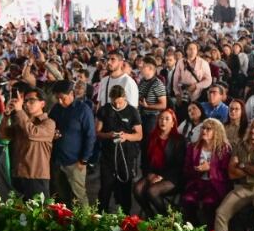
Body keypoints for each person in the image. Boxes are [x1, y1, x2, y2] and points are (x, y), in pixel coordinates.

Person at [96, 84, 142, 212]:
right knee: (105, 188)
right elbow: (97, 132)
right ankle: (101, 215)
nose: (116, 105)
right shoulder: (105, 110)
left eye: (119, 102)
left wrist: (126, 136)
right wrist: (108, 135)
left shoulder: (132, 112)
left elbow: (139, 135)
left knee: (125, 188)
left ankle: (125, 219)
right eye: (114, 102)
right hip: (108, 155)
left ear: (124, 98)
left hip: (126, 155)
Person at [180, 118, 233, 226]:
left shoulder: (224, 149)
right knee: (187, 201)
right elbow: (186, 170)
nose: (204, 131)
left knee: (208, 204)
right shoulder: (193, 147)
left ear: (216, 132)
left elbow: (226, 174)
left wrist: (210, 169)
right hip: (196, 184)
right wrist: (198, 170)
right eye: (203, 128)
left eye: (208, 129)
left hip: (215, 186)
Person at [50, 82, 95, 205]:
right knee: (62, 195)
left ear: (71, 94)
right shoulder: (56, 109)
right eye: (57, 98)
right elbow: (49, 126)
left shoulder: (83, 110)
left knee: (79, 196)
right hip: (58, 159)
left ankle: (85, 222)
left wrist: (84, 160)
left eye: (62, 98)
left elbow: (90, 136)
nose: (60, 101)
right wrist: (52, 134)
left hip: (75, 161)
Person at [7, 90, 57, 198]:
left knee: (38, 212)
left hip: (36, 176)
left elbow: (32, 133)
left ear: (42, 104)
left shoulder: (49, 123)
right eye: (25, 101)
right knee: (16, 212)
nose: (27, 104)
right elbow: (3, 135)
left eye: (32, 100)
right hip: (18, 173)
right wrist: (6, 115)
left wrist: (20, 111)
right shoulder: (21, 120)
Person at [134, 108, 184, 215]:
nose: (163, 121)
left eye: (167, 119)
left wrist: (162, 177)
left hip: (172, 177)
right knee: (137, 189)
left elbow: (178, 165)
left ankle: (165, 219)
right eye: (161, 118)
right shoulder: (150, 138)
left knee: (152, 191)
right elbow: (144, 161)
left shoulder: (179, 140)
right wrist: (149, 175)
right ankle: (150, 214)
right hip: (153, 174)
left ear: (173, 123)